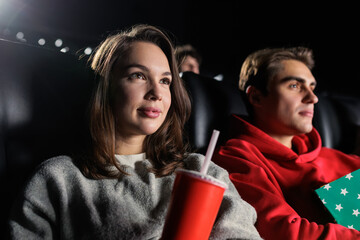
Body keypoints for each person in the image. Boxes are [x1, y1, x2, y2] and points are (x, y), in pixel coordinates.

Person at [8, 24, 262, 239]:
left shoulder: (203, 171)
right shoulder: (58, 178)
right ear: (105, 87)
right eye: (138, 75)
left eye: (165, 81)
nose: (157, 92)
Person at [213, 47, 360, 239]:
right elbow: (283, 232)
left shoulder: (335, 158)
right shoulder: (236, 158)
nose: (312, 98)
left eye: (312, 87)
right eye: (294, 86)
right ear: (256, 96)